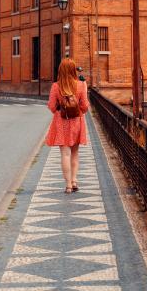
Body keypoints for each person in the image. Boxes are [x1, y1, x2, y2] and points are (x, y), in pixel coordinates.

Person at [46, 58, 90, 194]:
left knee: (65, 154)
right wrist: (77, 110)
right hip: (77, 120)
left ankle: (68, 185)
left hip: (61, 122)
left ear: (60, 71)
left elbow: (52, 106)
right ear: (73, 70)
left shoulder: (56, 86)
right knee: (75, 153)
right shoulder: (81, 85)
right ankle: (75, 180)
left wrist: (60, 110)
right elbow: (85, 106)